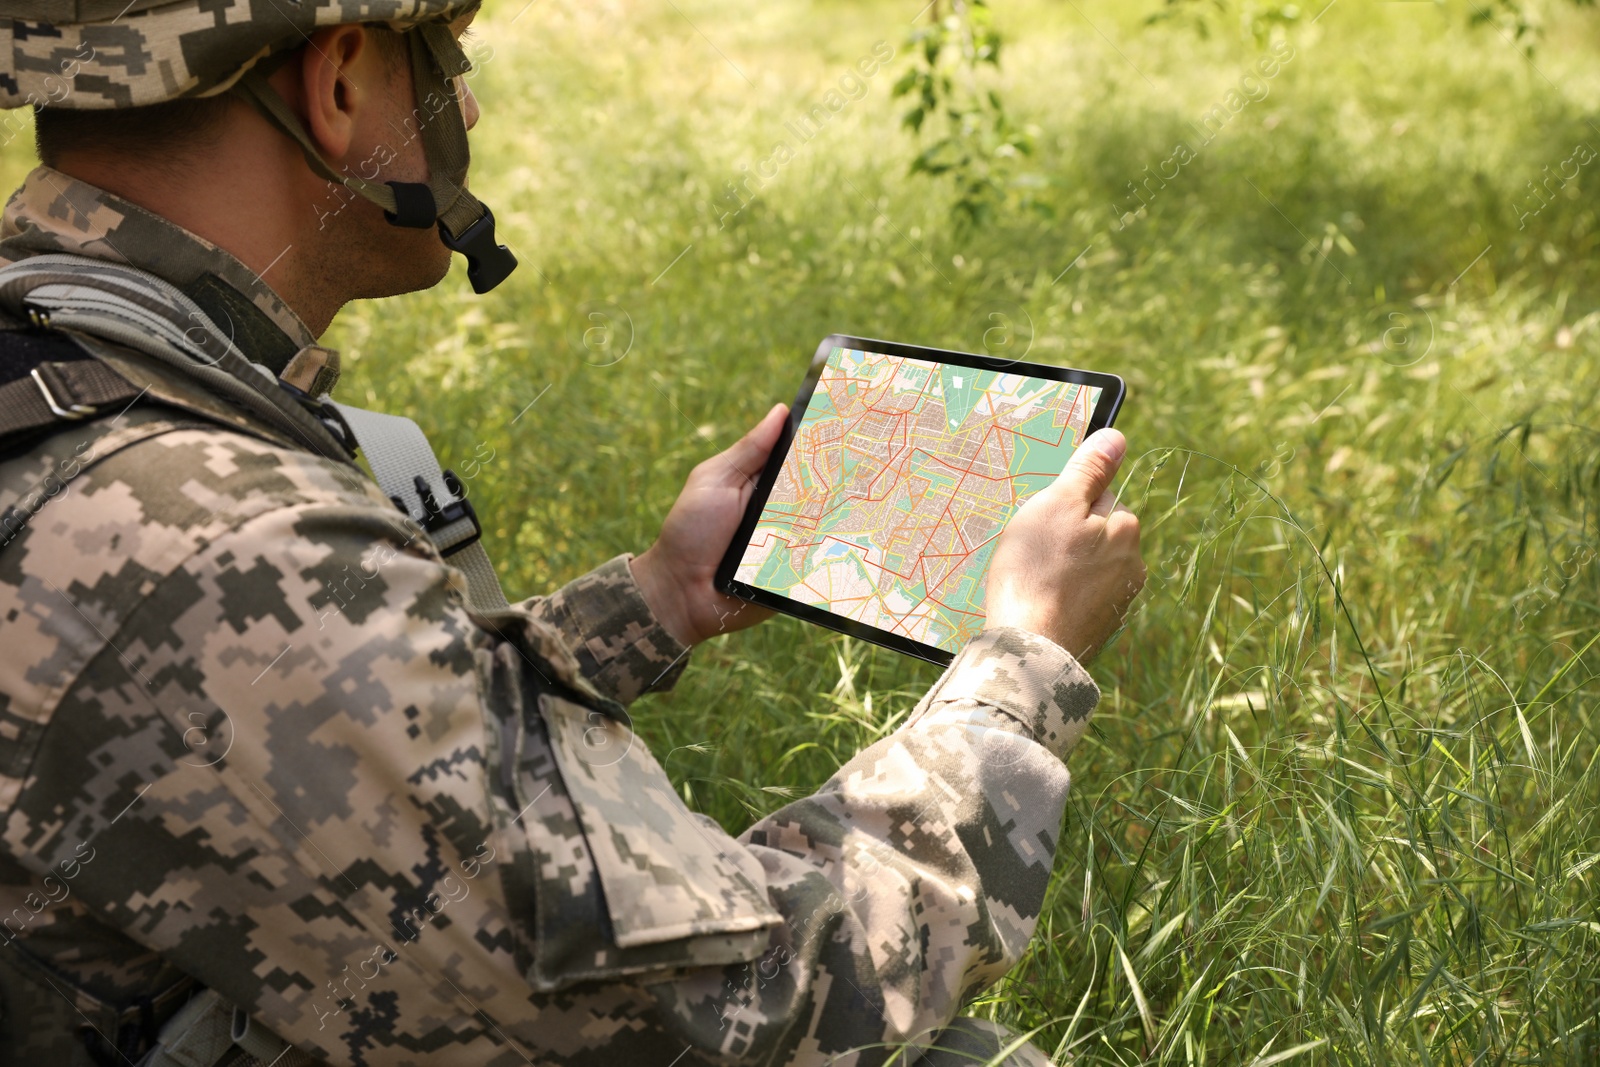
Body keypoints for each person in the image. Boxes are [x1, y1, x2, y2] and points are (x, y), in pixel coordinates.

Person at [0, 2, 1144, 1064]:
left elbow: (307, 731)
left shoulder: (61, 376)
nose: (472, 110)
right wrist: (1019, 670)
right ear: (338, 81)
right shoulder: (214, 538)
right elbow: (739, 1008)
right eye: (445, 64)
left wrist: (648, 602)